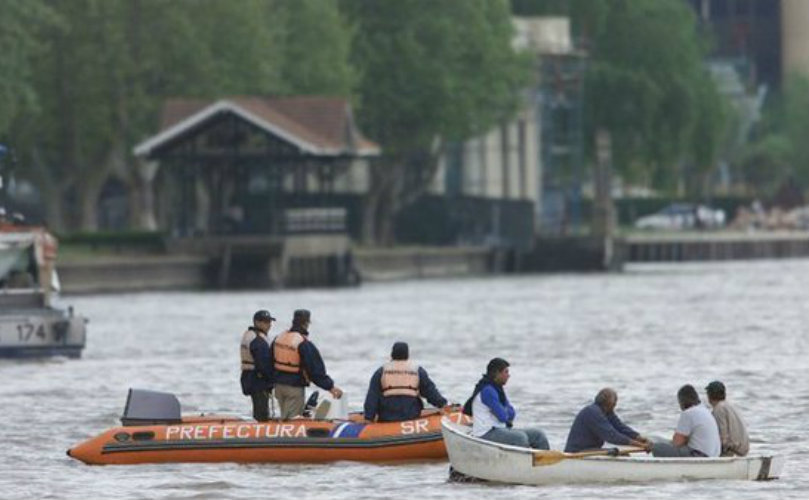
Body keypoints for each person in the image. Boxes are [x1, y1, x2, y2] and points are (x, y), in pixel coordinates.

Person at [270, 309, 343, 420]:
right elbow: (315, 371)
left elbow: (269, 360)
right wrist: (330, 387)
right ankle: (290, 437)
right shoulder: (303, 343)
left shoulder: (279, 338)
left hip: (278, 387)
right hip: (293, 388)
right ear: (306, 323)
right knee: (293, 421)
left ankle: (278, 434)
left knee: (284, 416)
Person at [462, 357, 549, 449]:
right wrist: (505, 411)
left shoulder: (498, 389)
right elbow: (503, 417)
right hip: (486, 433)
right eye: (506, 372)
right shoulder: (487, 390)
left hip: (500, 429)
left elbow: (512, 413)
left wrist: (505, 411)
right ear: (497, 373)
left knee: (538, 434)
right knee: (520, 438)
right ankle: (522, 462)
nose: (508, 375)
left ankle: (547, 462)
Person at [363, 341, 449, 422]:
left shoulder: (381, 371)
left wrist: (368, 417)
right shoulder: (417, 370)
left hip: (388, 415)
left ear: (392, 355)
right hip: (411, 414)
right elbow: (430, 392)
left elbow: (372, 397)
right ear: (407, 355)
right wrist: (442, 404)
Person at [564, 388, 650, 453]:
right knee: (621, 454)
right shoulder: (592, 412)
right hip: (578, 451)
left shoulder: (607, 411)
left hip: (591, 449)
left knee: (621, 454)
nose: (615, 405)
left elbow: (620, 427)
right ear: (609, 403)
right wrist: (640, 445)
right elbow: (611, 436)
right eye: (615, 403)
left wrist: (640, 438)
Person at [652, 384, 720, 457]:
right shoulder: (704, 410)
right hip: (714, 455)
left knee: (657, 448)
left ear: (682, 401)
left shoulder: (688, 413)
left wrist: (654, 446)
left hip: (699, 455)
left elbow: (677, 443)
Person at [239, 310, 275, 422]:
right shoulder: (258, 340)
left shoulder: (249, 334)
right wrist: (272, 380)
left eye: (269, 322)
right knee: (262, 410)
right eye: (265, 322)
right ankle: (262, 430)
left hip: (248, 376)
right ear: (257, 322)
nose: (269, 325)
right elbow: (263, 364)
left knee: (258, 406)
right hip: (257, 379)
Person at [705, 381, 750, 457]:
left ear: (709, 396)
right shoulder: (729, 405)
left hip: (733, 451)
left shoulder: (719, 409)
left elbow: (723, 436)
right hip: (743, 450)